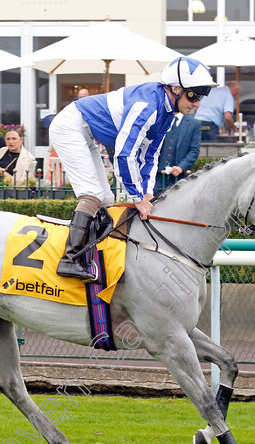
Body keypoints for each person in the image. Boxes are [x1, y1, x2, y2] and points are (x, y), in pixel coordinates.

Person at [49, 56, 215, 281]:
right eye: (193, 95)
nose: (197, 104)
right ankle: (69, 260)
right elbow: (125, 154)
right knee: (93, 194)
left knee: (106, 199)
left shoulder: (166, 112)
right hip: (70, 126)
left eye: (200, 96)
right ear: (175, 89)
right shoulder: (147, 106)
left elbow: (150, 155)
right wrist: (137, 197)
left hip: (86, 131)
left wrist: (147, 192)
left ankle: (96, 256)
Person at [154, 111, 201, 195]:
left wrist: (181, 167)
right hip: (158, 177)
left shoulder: (194, 124)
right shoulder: (159, 121)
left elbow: (194, 150)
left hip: (180, 177)